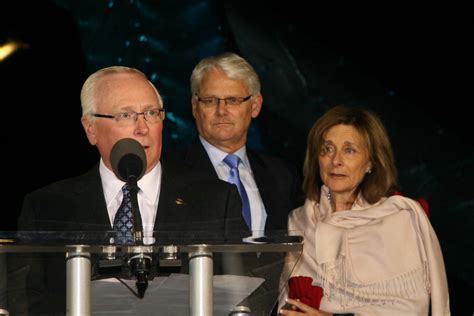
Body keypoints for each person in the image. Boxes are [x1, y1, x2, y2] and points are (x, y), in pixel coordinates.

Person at [14, 66, 245, 314]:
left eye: (151, 113)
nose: (142, 128)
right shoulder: (46, 207)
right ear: (91, 128)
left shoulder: (217, 200)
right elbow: (24, 301)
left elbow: (244, 294)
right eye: (125, 116)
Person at [278, 105, 450, 315]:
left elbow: (411, 309)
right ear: (317, 159)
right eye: (327, 149)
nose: (336, 161)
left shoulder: (398, 219)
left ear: (370, 163)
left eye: (349, 150)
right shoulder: (298, 221)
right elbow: (284, 300)